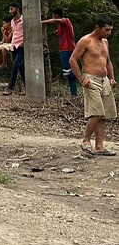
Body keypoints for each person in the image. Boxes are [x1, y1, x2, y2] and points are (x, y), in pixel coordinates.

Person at [70, 15, 116, 156]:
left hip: (104, 80)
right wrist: (81, 78)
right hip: (91, 79)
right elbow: (73, 59)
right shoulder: (86, 40)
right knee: (96, 112)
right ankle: (86, 140)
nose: (108, 33)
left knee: (104, 114)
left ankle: (100, 146)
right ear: (97, 28)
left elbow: (107, 62)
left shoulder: (105, 42)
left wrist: (112, 78)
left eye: (110, 30)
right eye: (106, 30)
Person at [42, 9, 77, 98]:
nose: (53, 17)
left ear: (58, 15)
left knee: (68, 71)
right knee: (67, 71)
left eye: (54, 15)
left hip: (68, 49)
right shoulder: (60, 27)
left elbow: (55, 21)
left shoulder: (66, 20)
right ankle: (73, 93)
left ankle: (74, 93)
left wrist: (41, 22)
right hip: (63, 50)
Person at [3, 3, 25, 96]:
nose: (10, 11)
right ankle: (27, 88)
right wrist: (10, 45)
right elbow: (14, 34)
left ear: (18, 9)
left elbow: (28, 32)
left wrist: (24, 42)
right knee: (21, 68)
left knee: (15, 66)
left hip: (21, 46)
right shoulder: (12, 21)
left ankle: (10, 88)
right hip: (14, 46)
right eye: (9, 9)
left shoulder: (24, 20)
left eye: (12, 9)